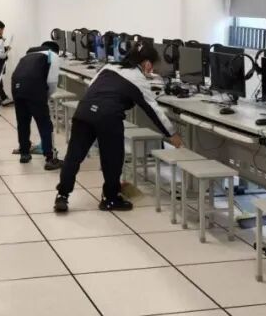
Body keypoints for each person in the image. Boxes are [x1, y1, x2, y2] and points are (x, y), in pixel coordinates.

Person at [53, 42, 183, 213]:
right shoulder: (138, 80)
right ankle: (110, 198)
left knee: (73, 157)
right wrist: (171, 134)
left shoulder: (108, 67)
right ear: (147, 64)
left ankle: (62, 195)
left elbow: (92, 87)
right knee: (112, 159)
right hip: (108, 117)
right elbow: (153, 110)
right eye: (152, 66)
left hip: (84, 111)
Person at [11, 41, 63, 170]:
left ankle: (24, 153)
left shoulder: (27, 55)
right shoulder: (52, 55)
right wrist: (46, 96)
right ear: (56, 51)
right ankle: (50, 157)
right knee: (44, 124)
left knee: (23, 122)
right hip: (34, 88)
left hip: (16, 87)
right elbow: (52, 82)